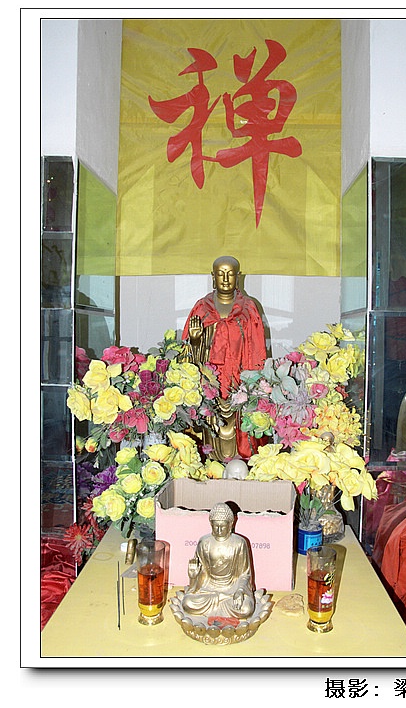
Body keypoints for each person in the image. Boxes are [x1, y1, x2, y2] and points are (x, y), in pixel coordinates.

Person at [182, 256, 266, 460]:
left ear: (239, 277)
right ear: (213, 277)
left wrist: (253, 386)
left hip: (239, 384)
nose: (226, 279)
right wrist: (195, 340)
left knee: (241, 436)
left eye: (230, 274)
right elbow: (186, 355)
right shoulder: (201, 309)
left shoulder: (248, 309)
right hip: (209, 386)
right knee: (209, 438)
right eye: (221, 274)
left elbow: (257, 350)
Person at [180, 502, 255, 620]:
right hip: (208, 589)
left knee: (246, 609)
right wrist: (193, 576)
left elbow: (244, 574)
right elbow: (201, 574)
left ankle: (218, 605)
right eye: (216, 526)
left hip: (231, 589)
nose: (219, 530)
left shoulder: (239, 543)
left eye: (223, 526)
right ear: (211, 524)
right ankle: (221, 603)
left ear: (231, 524)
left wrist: (240, 591)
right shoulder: (204, 542)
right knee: (188, 603)